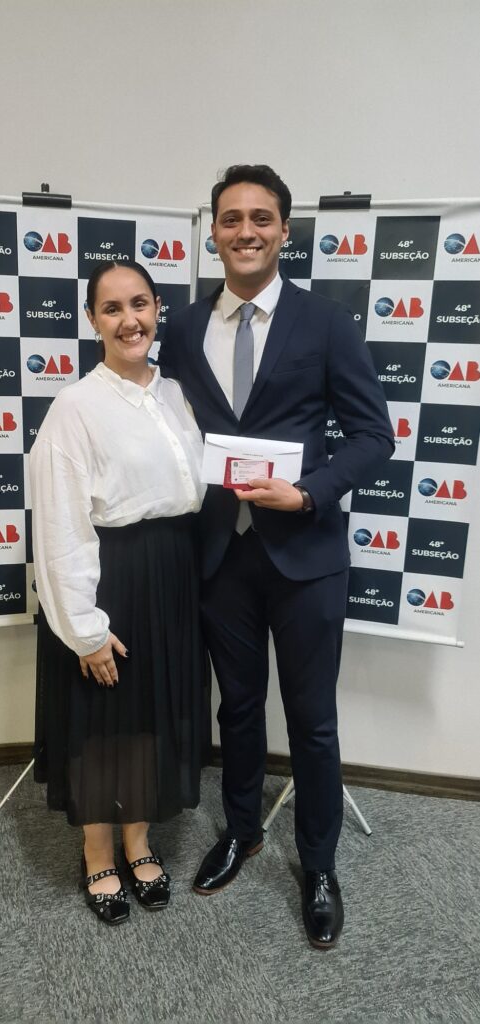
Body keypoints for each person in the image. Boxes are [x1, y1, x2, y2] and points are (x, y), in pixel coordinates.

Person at [159, 164, 395, 949]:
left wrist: (309, 494)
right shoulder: (183, 327)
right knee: (235, 708)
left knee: (312, 722)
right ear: (213, 232)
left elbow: (373, 436)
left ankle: (318, 865)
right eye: (230, 218)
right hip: (219, 554)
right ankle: (241, 831)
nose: (245, 231)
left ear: (284, 231)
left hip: (305, 556)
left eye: (260, 218)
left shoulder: (325, 323)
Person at [30, 260, 206, 925]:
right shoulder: (76, 407)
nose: (129, 320)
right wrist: (85, 628)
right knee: (104, 719)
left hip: (174, 571)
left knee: (150, 714)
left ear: (157, 308)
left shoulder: (177, 394)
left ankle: (138, 840)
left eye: (139, 304)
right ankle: (97, 851)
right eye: (112, 308)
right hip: (113, 576)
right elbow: (59, 523)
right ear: (92, 320)